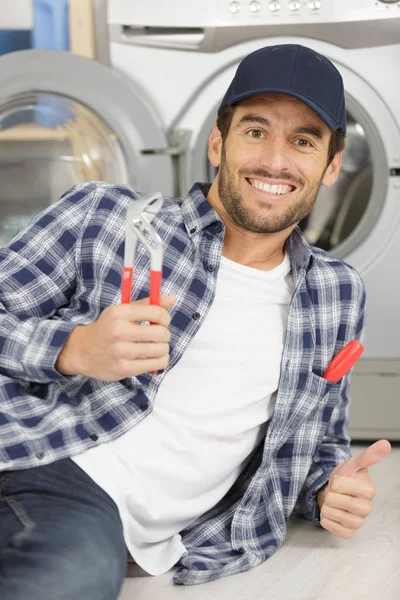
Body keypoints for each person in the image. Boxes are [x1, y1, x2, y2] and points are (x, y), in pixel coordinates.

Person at [0, 44, 391, 599]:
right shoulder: (106, 217)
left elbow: (316, 440)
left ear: (330, 166)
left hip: (137, 533)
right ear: (217, 143)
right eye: (256, 131)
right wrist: (72, 348)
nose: (276, 162)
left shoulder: (336, 292)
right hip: (49, 462)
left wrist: (328, 489)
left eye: (303, 141)